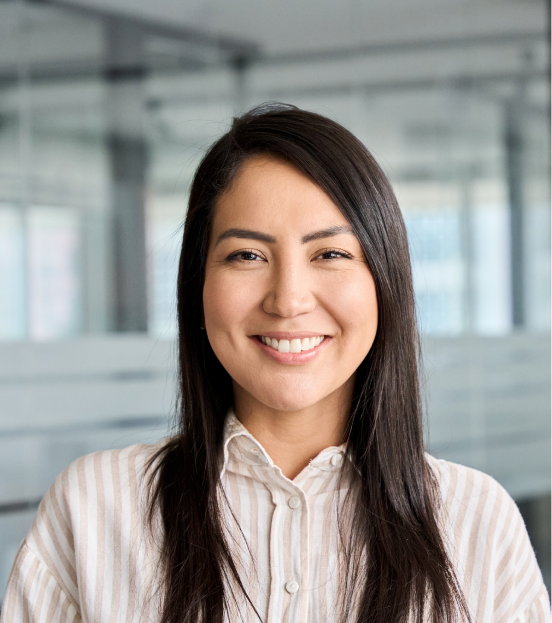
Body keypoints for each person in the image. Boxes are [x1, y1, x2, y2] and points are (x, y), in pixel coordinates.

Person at [1, 104, 550, 623]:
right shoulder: (95, 507)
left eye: (329, 254)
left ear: (385, 284)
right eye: (247, 256)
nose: (288, 300)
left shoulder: (477, 521)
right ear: (198, 288)